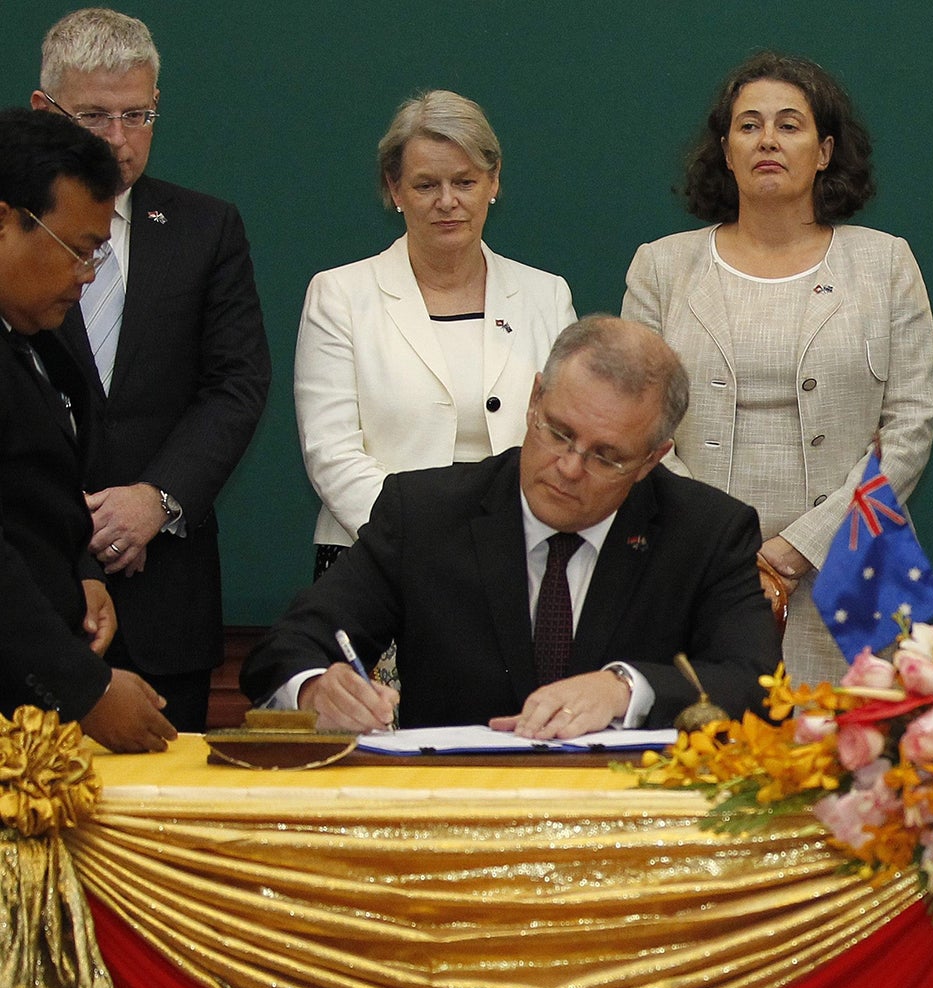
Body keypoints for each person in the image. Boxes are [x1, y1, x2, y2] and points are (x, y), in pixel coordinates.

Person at [242, 317, 779, 734]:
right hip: (454, 817)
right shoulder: (424, 513)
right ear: (534, 399)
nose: (569, 467)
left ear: (652, 459)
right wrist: (315, 690)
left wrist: (626, 690)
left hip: (626, 827)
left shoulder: (706, 532)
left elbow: (756, 685)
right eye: (559, 432)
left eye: (606, 457)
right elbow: (288, 647)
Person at [623, 50, 933, 685]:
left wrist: (798, 550)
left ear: (824, 151)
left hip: (849, 566)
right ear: (725, 148)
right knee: (702, 760)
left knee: (849, 764)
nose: (768, 139)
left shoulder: (885, 264)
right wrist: (727, 552)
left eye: (789, 124)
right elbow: (636, 427)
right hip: (694, 566)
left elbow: (910, 428)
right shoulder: (662, 267)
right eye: (749, 125)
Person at [31, 9, 268, 734]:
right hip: (34, 587)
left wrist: (155, 501)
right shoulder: (13, 234)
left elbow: (235, 384)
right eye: (94, 115)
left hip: (167, 591)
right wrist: (70, 523)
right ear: (45, 113)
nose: (118, 139)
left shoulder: (206, 227)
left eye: (138, 114)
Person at [296, 89, 575, 577]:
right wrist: (424, 538)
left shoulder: (546, 296)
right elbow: (332, 453)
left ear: (494, 181)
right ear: (394, 189)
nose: (448, 202)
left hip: (519, 557)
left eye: (465, 181)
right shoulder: (339, 295)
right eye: (426, 185)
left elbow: (568, 437)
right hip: (378, 558)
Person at [0, 106, 171, 750]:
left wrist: (80, 573)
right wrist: (85, 689)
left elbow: (29, 493)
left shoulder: (34, 338)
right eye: (77, 248)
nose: (89, 275)